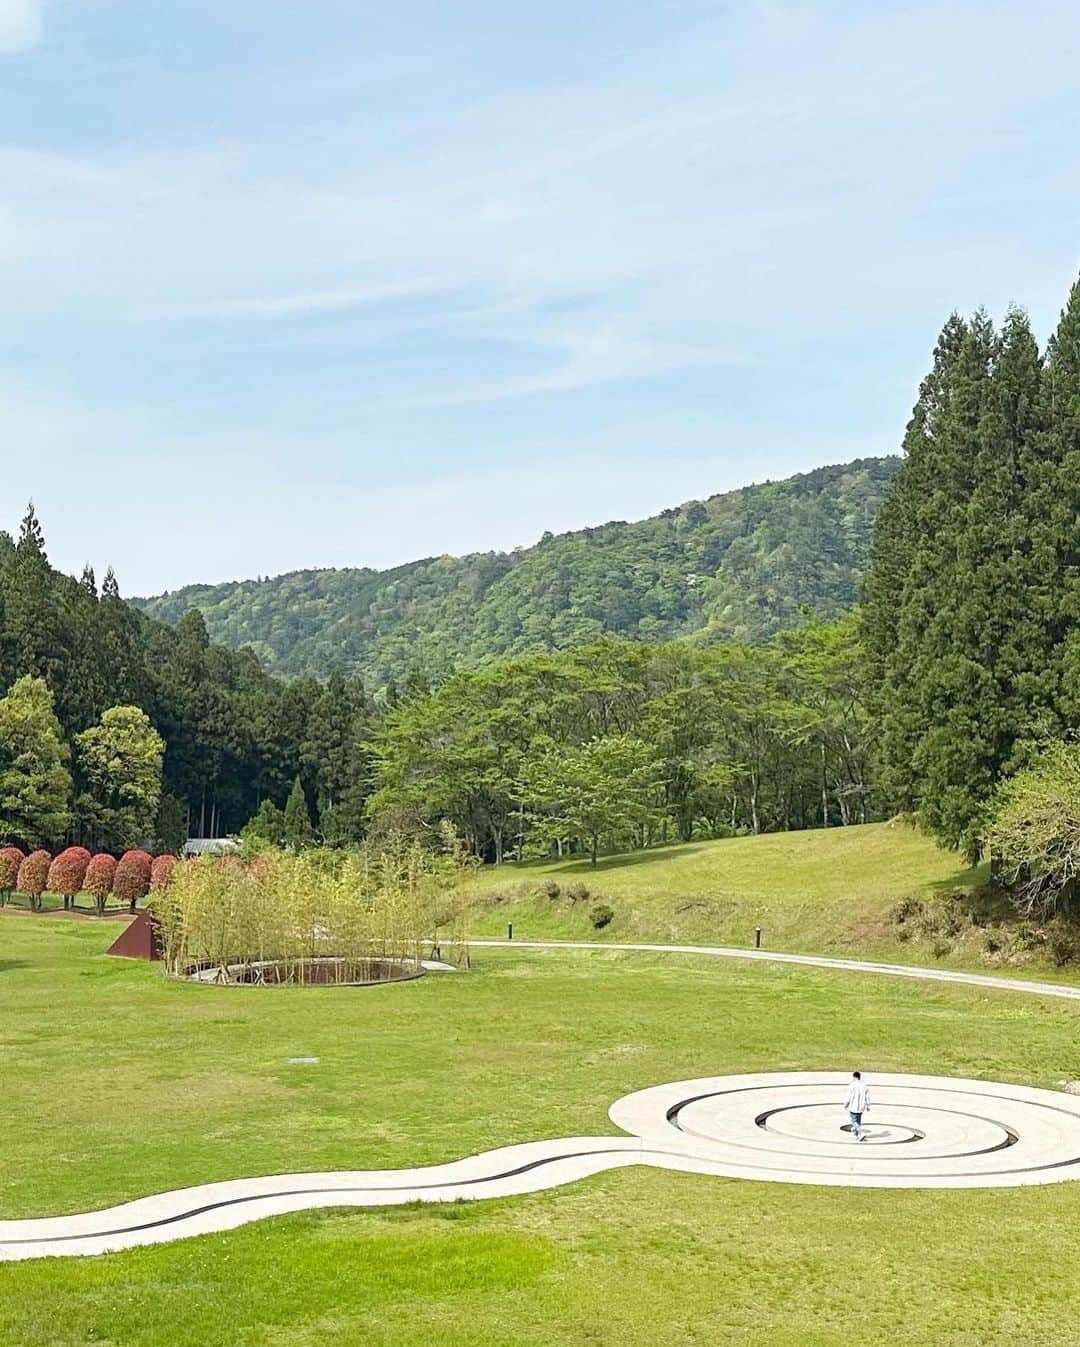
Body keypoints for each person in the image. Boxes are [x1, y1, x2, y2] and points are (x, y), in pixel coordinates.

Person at [844, 1071, 870, 1142]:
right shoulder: (864, 1085)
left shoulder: (852, 1085)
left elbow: (848, 1096)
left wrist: (846, 1104)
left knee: (854, 1121)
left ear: (854, 1077)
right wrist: (868, 1105)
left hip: (853, 1106)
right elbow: (867, 1096)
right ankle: (857, 1134)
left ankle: (860, 1133)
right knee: (858, 1121)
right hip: (862, 1106)